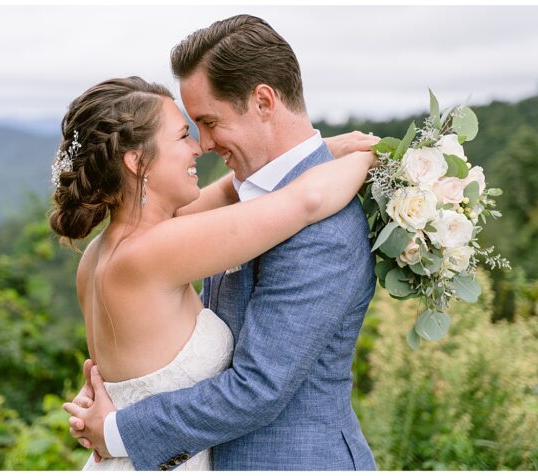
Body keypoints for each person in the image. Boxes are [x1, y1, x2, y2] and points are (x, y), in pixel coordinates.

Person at [53, 73, 379, 469]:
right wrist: (373, 157)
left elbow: (233, 190)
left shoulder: (103, 252)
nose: (198, 148)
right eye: (181, 136)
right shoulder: (158, 250)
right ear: (137, 161)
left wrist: (324, 148)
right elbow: (306, 200)